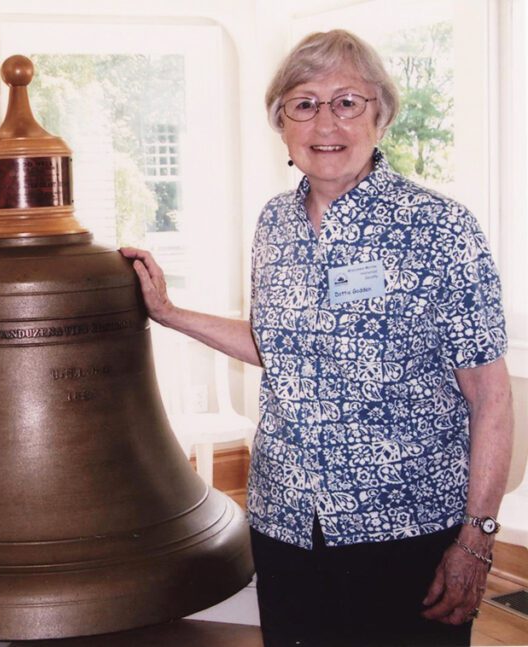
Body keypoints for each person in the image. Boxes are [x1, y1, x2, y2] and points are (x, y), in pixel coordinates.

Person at [122, 29, 513, 647]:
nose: (325, 121)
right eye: (303, 103)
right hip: (286, 520)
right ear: (282, 124)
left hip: (405, 526)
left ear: (380, 116)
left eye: (348, 101)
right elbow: (280, 346)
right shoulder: (274, 224)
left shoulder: (439, 228)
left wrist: (476, 538)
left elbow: (489, 397)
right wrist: (169, 313)